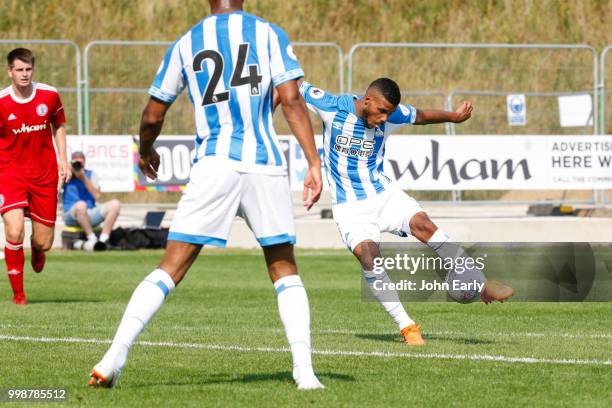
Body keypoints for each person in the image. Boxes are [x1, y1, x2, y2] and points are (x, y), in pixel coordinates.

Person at [89, 0, 324, 390]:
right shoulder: (267, 32)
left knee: (170, 267)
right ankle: (305, 373)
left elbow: (152, 115)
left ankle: (113, 356)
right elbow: (292, 99)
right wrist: (312, 161)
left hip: (214, 163)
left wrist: (146, 150)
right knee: (284, 268)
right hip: (262, 164)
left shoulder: (186, 42)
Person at [283, 78, 513, 345]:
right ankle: (407, 327)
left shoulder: (392, 114)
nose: (384, 118)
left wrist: (454, 116)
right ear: (367, 101)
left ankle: (480, 283)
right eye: (381, 111)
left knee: (424, 224)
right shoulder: (332, 106)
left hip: (384, 195)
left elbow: (422, 115)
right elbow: (290, 84)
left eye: (389, 113)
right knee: (370, 258)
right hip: (350, 208)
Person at [0, 48, 70, 305]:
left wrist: (63, 158)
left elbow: (59, 125)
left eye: (28, 69)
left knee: (44, 242)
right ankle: (19, 294)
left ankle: (38, 250)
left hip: (44, 174)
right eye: (19, 70)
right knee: (14, 230)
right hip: (10, 174)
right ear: (10, 72)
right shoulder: (1, 102)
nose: (24, 74)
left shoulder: (49, 95)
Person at [62, 151, 121, 250]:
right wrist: (65, 171)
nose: (78, 166)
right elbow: (55, 188)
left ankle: (103, 240)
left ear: (84, 163)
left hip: (89, 213)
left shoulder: (91, 174)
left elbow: (97, 195)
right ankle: (92, 238)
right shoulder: (67, 175)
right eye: (75, 163)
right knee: (81, 205)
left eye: (80, 163)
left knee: (115, 204)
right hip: (71, 214)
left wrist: (83, 177)